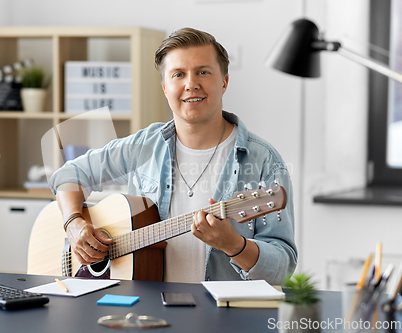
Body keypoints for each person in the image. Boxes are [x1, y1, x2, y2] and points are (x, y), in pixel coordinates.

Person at [49, 27, 297, 284]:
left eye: (203, 72)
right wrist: (74, 224)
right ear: (165, 87)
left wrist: (235, 245)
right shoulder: (143, 145)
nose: (191, 84)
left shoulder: (264, 162)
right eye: (179, 74)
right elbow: (67, 176)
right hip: (143, 314)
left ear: (224, 81)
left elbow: (283, 268)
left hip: (222, 319)